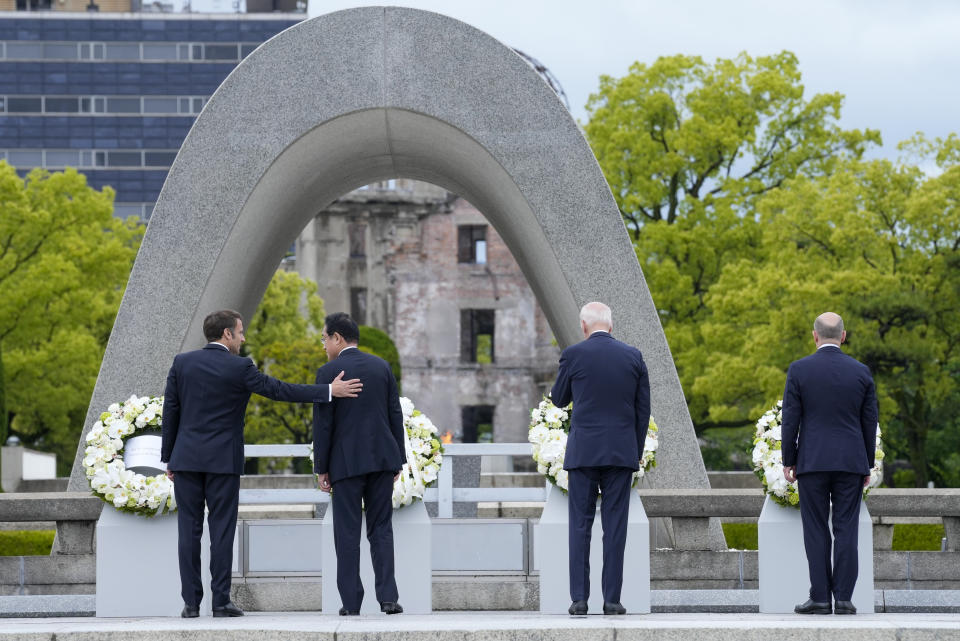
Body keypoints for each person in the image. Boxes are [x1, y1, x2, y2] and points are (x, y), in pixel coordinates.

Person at [161, 309, 362, 618]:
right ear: (227, 334)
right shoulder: (240, 367)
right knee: (221, 531)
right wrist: (328, 391)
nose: (242, 339)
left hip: (186, 458)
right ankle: (220, 602)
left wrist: (169, 457)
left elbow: (170, 411)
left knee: (188, 531)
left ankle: (190, 604)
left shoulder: (182, 363)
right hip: (223, 461)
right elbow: (279, 390)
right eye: (240, 333)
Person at [551, 301, 650, 616]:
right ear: (611, 324)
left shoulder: (573, 355)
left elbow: (558, 398)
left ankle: (579, 599)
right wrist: (632, 451)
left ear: (583, 325)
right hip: (620, 452)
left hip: (583, 452)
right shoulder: (633, 356)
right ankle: (612, 600)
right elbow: (642, 410)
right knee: (616, 526)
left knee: (579, 525)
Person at [781, 312, 878, 616]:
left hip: (813, 461)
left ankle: (820, 597)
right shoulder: (861, 372)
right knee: (847, 527)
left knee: (816, 528)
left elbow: (790, 420)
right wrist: (867, 463)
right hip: (850, 461)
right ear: (844, 336)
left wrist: (789, 459)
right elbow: (869, 421)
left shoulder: (799, 370)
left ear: (815, 336)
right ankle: (845, 598)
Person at [313, 312, 405, 616]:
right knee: (382, 529)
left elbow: (323, 425)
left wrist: (321, 468)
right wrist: (398, 460)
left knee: (347, 533)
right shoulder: (382, 367)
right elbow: (395, 414)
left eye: (325, 338)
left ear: (338, 338)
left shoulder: (328, 372)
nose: (324, 344)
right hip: (382, 460)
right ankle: (388, 598)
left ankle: (351, 603)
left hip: (345, 464)